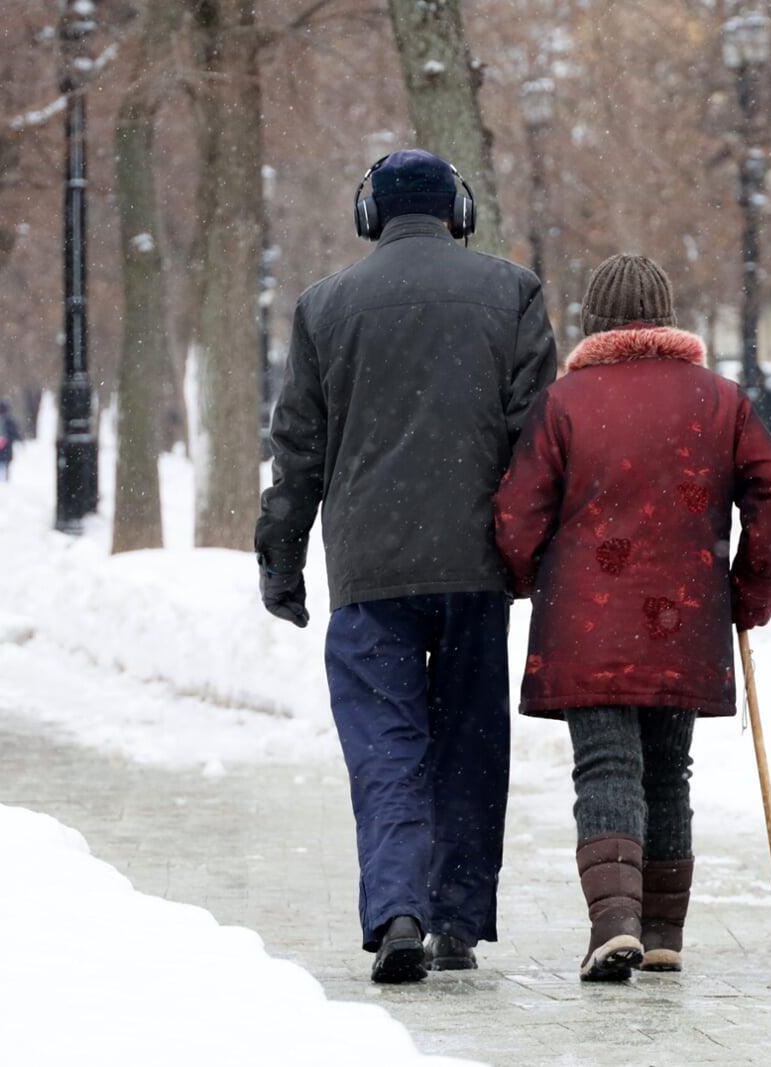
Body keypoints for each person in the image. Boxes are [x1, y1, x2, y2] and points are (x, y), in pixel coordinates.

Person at [254, 148, 557, 984]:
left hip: (369, 568)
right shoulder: (514, 292)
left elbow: (298, 451)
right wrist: (526, 551)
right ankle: (457, 916)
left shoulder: (324, 307)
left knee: (386, 747)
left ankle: (398, 910)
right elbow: (537, 440)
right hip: (473, 564)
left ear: (369, 216)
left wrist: (282, 558)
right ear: (458, 211)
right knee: (468, 739)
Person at [494, 254, 771, 982]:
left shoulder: (564, 403)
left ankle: (615, 926)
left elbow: (516, 515)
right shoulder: (720, 401)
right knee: (669, 770)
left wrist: (532, 577)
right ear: (667, 319)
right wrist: (748, 589)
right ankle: (663, 931)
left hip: (587, 625)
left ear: (593, 323)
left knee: (606, 765)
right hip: (685, 620)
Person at [0, 398, 23, 481]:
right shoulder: (9, 419)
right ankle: (6, 477)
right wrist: (19, 439)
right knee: (7, 461)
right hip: (7, 444)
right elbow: (14, 432)